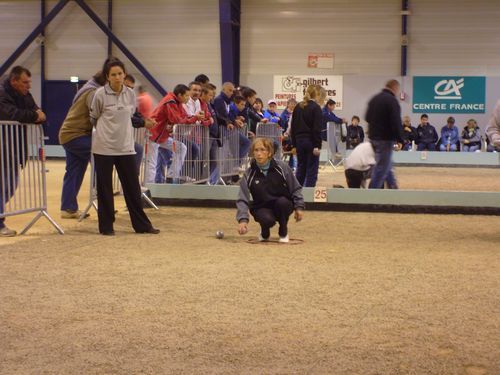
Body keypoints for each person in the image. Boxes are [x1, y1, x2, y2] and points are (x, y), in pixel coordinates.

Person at [89, 57, 159, 235]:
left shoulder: (130, 94)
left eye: (120, 73)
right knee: (105, 190)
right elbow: (94, 118)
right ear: (107, 76)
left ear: (124, 74)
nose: (117, 77)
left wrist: (144, 122)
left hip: (126, 147)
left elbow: (131, 117)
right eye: (113, 74)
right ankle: (106, 227)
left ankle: (142, 225)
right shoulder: (99, 95)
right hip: (103, 148)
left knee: (132, 188)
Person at [0, 66, 46, 237]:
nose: (29, 86)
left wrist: (36, 115)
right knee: (4, 187)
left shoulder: (25, 94)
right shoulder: (2, 93)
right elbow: (12, 114)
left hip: (15, 148)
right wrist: (34, 116)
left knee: (10, 187)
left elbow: (37, 111)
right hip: (3, 149)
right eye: (25, 82)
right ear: (14, 81)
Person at [236, 137, 304, 243]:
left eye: (263, 150)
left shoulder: (282, 167)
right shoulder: (249, 173)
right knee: (267, 219)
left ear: (269, 153)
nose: (259, 154)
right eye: (256, 150)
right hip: (261, 207)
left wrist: (299, 207)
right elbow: (242, 198)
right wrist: (243, 220)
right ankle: (264, 231)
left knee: (283, 203)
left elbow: (295, 188)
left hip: (282, 203)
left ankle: (283, 230)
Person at [149, 84, 203, 183]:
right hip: (153, 134)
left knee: (181, 148)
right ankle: (149, 188)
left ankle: (171, 176)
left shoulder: (177, 102)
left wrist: (195, 117)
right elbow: (176, 119)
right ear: (179, 95)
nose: (188, 97)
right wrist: (194, 118)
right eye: (186, 95)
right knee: (151, 164)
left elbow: (184, 116)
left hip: (162, 136)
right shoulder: (170, 101)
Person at [365, 79, 402, 189]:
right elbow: (396, 122)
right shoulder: (392, 101)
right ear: (395, 88)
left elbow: (367, 117)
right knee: (382, 168)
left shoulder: (374, 99)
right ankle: (371, 195)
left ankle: (393, 186)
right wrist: (400, 139)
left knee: (386, 164)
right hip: (385, 139)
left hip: (373, 138)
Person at [290, 84, 325, 187]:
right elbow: (316, 129)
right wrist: (317, 146)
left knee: (300, 169)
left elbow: (293, 127)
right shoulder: (316, 108)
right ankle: (309, 198)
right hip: (311, 142)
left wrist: (294, 145)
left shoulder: (298, 106)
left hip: (299, 142)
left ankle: (296, 194)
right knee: (311, 171)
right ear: (318, 95)